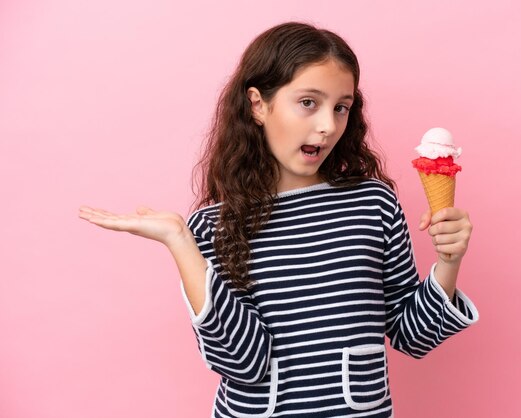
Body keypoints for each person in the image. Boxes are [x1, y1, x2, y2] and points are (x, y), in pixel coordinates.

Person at [79, 21, 478, 418]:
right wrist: (181, 243)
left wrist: (448, 261)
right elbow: (244, 362)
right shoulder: (212, 225)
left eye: (341, 107)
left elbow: (413, 337)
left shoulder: (372, 203)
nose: (327, 125)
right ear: (258, 104)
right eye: (308, 102)